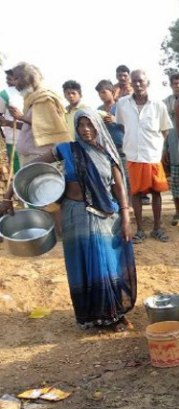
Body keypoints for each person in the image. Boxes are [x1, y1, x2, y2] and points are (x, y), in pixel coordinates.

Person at [0, 109, 136, 331]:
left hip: (105, 215)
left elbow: (119, 187)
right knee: (83, 264)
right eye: (81, 125)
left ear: (98, 127)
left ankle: (114, 314)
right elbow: (29, 170)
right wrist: (7, 197)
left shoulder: (107, 153)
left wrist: (126, 216)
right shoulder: (66, 149)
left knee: (107, 264)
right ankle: (92, 315)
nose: (86, 130)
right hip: (75, 214)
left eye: (90, 125)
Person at [115, 69, 173, 243]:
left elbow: (165, 130)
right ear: (130, 83)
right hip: (133, 155)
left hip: (153, 155)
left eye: (141, 81)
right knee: (136, 193)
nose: (138, 84)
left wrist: (156, 146)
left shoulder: (158, 104)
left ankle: (157, 228)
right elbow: (122, 126)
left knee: (156, 192)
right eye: (135, 81)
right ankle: (139, 229)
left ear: (148, 83)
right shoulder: (123, 103)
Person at [7, 62, 70, 166]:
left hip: (41, 157)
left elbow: (49, 125)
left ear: (27, 78)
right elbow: (33, 127)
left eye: (17, 78)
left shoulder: (45, 98)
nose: (14, 82)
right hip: (29, 156)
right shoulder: (31, 99)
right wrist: (9, 122)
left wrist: (21, 117)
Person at [163, 73, 179, 226]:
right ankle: (178, 212)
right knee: (176, 182)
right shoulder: (165, 103)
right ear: (171, 85)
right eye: (175, 83)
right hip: (173, 144)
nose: (178, 86)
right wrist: (164, 148)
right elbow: (162, 128)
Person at [0, 68, 23, 173]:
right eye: (7, 79)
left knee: (18, 172)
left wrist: (6, 123)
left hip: (13, 140)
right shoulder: (33, 93)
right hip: (32, 139)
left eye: (10, 79)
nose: (7, 82)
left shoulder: (5, 94)